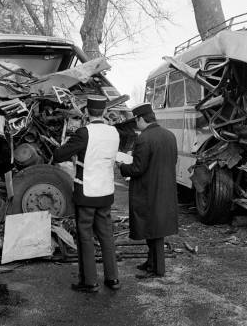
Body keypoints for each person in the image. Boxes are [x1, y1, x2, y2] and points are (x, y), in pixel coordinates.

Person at [53, 95, 120, 292]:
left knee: (85, 236)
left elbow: (59, 155)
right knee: (107, 235)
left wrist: (67, 143)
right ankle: (113, 279)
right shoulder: (114, 132)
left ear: (86, 113)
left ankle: (89, 281)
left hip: (87, 192)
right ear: (105, 112)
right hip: (106, 192)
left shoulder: (84, 133)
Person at [118, 103, 178, 278]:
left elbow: (137, 168)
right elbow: (170, 161)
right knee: (155, 227)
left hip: (148, 190)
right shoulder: (169, 135)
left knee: (154, 230)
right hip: (165, 189)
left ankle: (157, 269)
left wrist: (122, 166)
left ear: (140, 118)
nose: (135, 124)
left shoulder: (144, 138)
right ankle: (151, 262)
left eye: (135, 120)